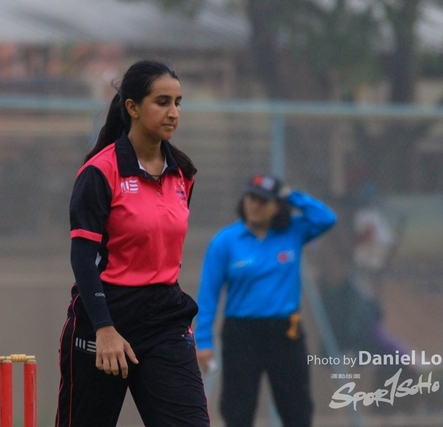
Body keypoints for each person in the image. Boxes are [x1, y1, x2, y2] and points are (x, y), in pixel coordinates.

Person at [55, 59, 210, 427]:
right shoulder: (100, 171)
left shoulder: (183, 173)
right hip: (106, 317)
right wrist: (104, 328)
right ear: (133, 107)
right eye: (162, 102)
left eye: (178, 103)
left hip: (165, 319)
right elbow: (83, 257)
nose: (173, 113)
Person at [194, 173, 337, 427]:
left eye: (263, 200)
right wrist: (203, 340)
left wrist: (290, 194)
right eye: (251, 198)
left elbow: (326, 218)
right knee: (238, 410)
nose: (255, 205)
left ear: (278, 206)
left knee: (297, 410)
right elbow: (208, 294)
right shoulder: (225, 241)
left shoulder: (293, 232)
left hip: (285, 333)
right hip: (241, 334)